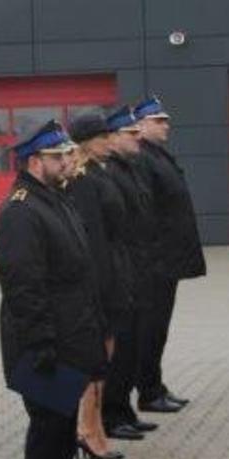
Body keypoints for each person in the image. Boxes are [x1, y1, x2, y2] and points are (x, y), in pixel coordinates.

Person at [0, 120, 106, 459]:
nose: (67, 161)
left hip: (68, 337)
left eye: (67, 154)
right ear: (35, 162)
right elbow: (24, 288)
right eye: (58, 157)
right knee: (48, 432)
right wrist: (41, 346)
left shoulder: (53, 200)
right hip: (44, 345)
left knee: (61, 430)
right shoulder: (21, 211)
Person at [62, 112, 136, 459]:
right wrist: (103, 289)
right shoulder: (83, 180)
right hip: (100, 283)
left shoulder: (98, 172)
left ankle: (95, 427)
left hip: (113, 274)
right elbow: (93, 241)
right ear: (87, 142)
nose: (110, 141)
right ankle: (88, 430)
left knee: (103, 362)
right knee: (95, 362)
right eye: (103, 137)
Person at [128, 96, 206, 411]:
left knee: (158, 329)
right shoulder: (142, 159)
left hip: (167, 260)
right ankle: (148, 392)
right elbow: (144, 212)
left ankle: (154, 385)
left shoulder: (157, 155)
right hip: (154, 262)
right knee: (150, 328)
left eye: (166, 120)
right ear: (140, 125)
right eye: (158, 121)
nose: (166, 126)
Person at [96, 108, 162, 440]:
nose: (138, 138)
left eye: (138, 132)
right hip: (124, 270)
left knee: (133, 344)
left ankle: (124, 410)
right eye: (131, 134)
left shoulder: (129, 168)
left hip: (138, 268)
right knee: (120, 349)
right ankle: (112, 414)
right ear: (113, 138)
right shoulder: (109, 172)